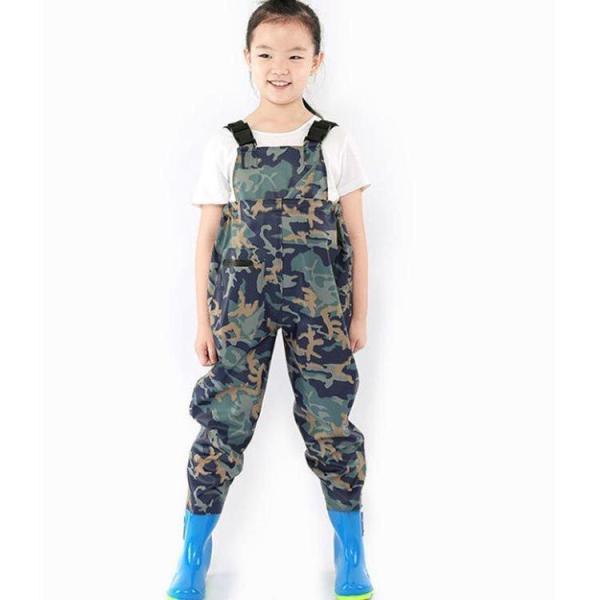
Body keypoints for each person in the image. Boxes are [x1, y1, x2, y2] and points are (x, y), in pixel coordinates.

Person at [167, 1, 374, 598]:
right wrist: (203, 321)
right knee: (223, 424)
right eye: (266, 54)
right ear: (247, 59)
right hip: (239, 309)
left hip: (321, 310)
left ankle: (351, 551)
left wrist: (359, 314)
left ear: (316, 62)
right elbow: (206, 238)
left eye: (294, 55)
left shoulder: (333, 141)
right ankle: (193, 551)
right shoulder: (226, 143)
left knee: (330, 425)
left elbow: (358, 237)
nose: (279, 67)